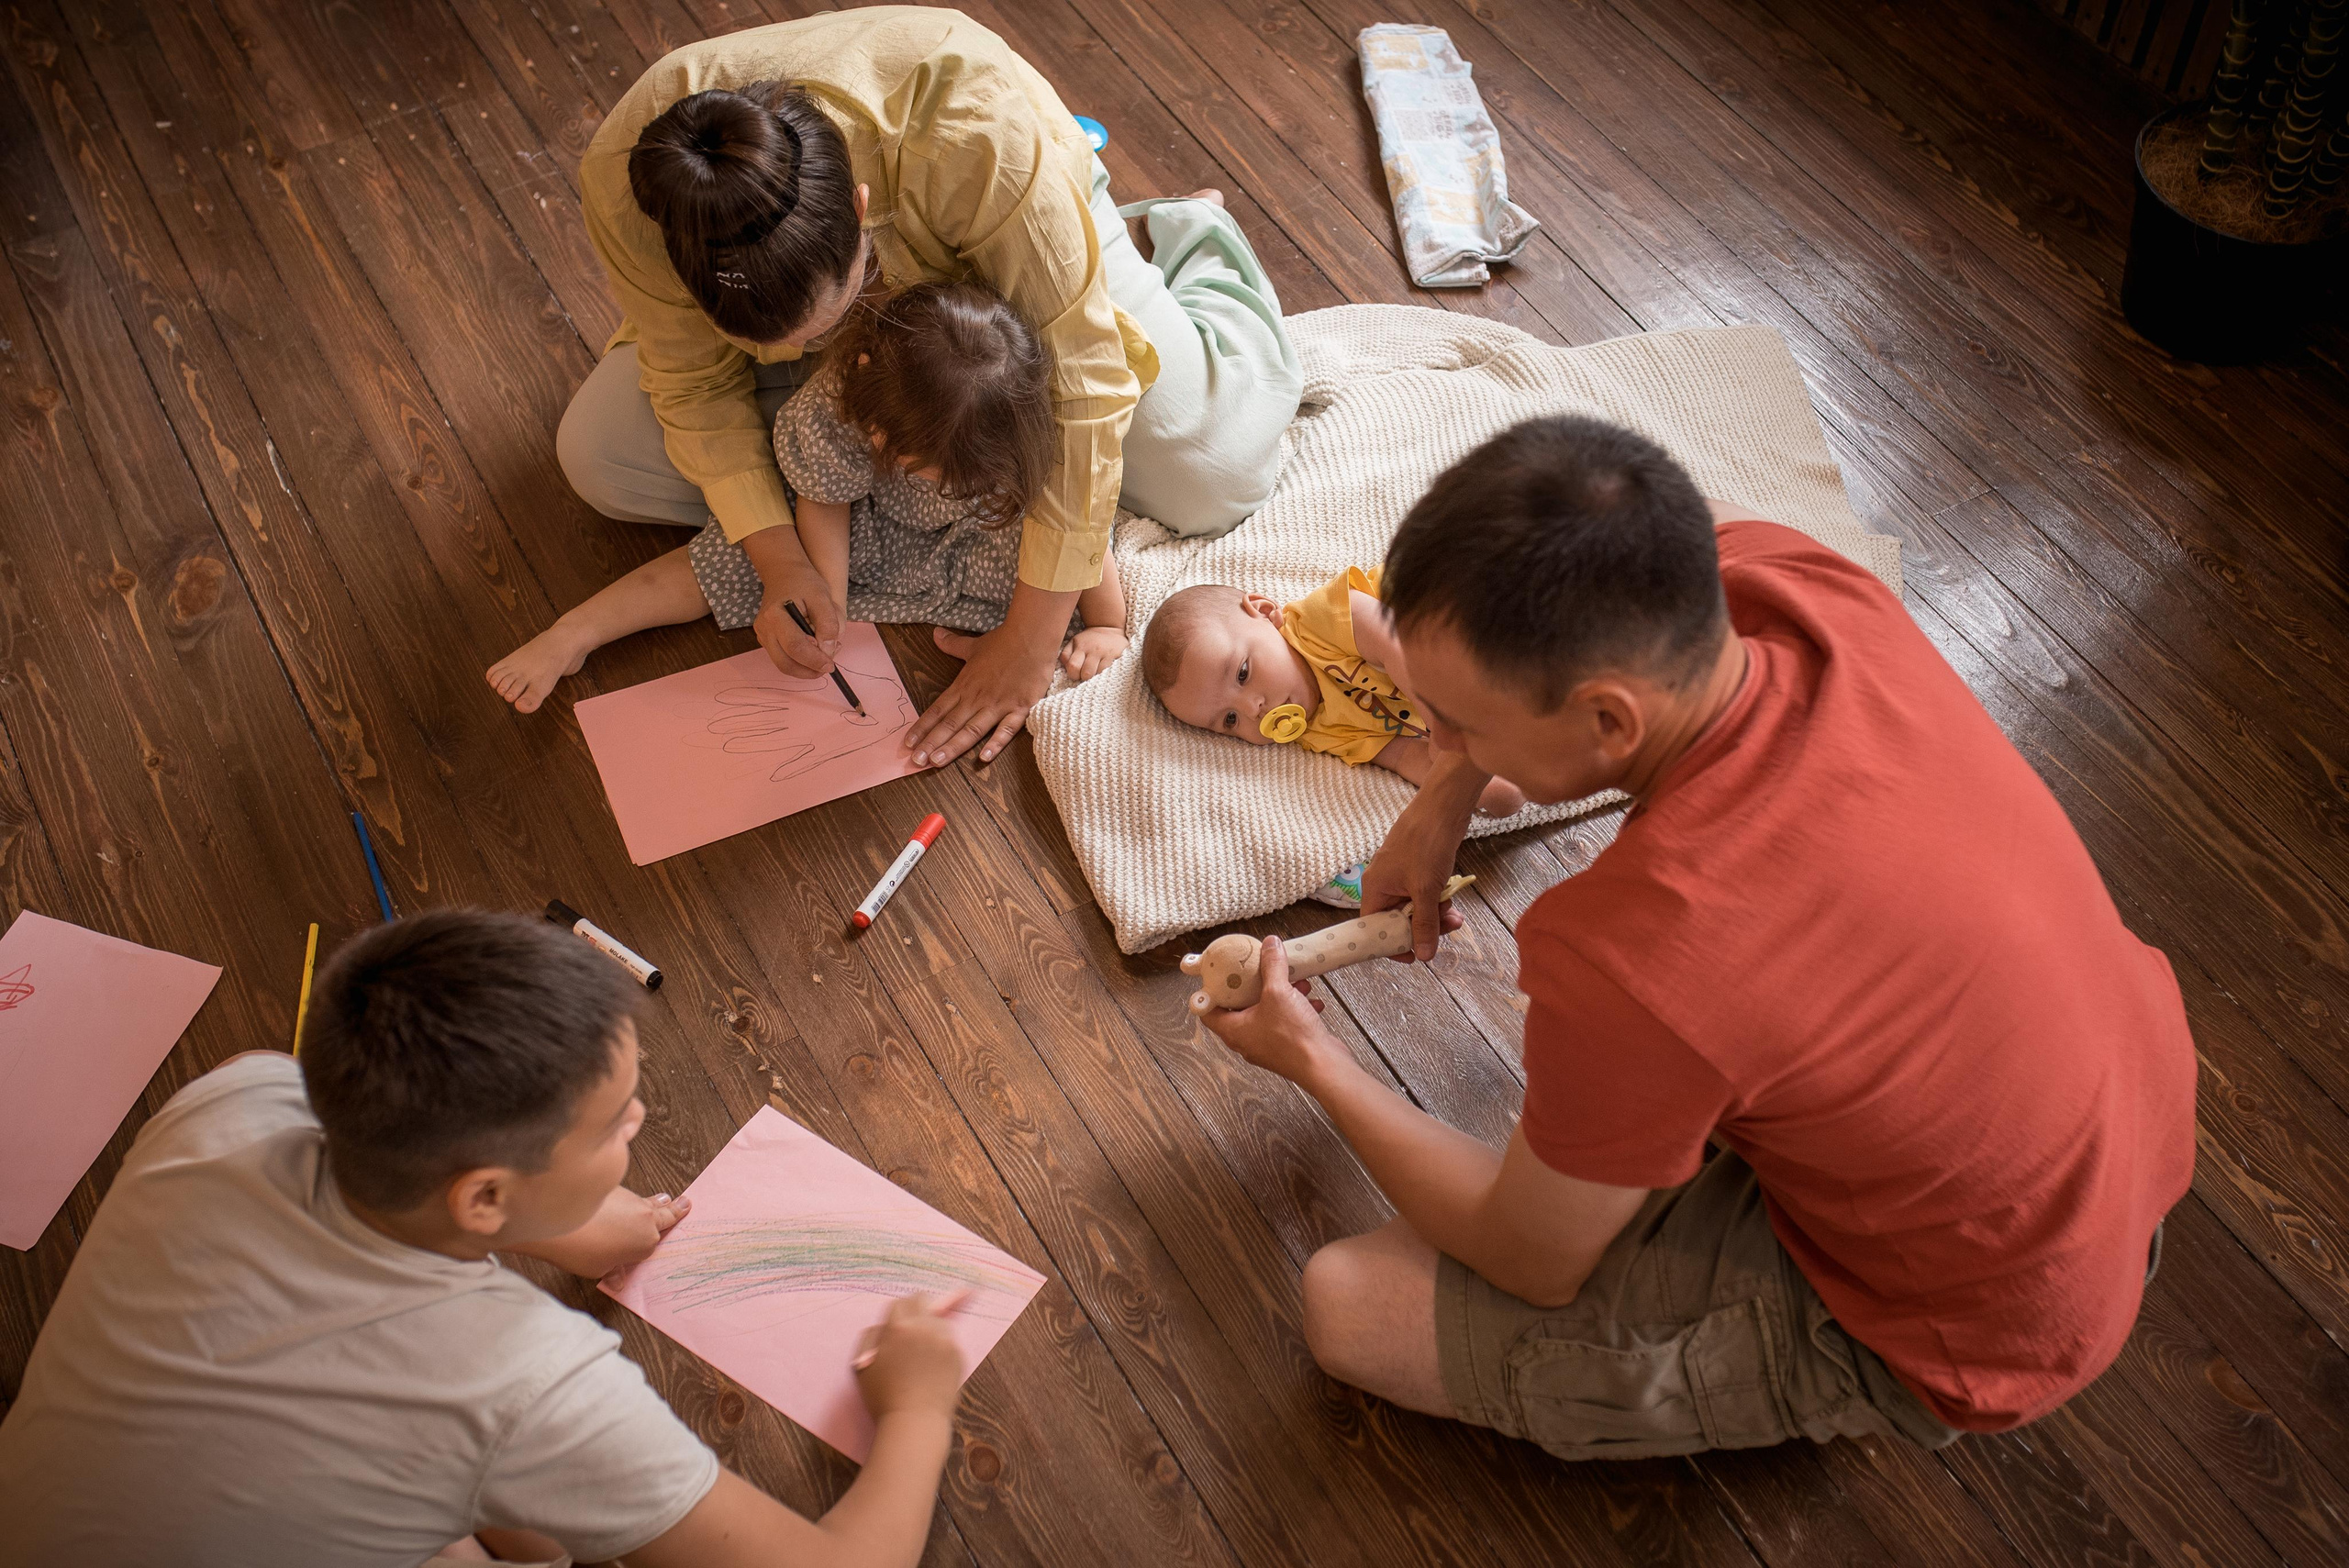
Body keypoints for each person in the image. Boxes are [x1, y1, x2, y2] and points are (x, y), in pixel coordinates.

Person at [1197, 415, 2195, 1459]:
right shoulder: (1793, 581)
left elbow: (1527, 1258)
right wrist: (1441, 795)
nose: (1439, 738)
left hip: (1992, 1319)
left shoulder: (1638, 948)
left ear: (1609, 721)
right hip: (2128, 1124)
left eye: (1464, 722)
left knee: (1350, 1299)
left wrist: (1312, 1058)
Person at [0, 912, 968, 1568]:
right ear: (485, 1197)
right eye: (617, 1124)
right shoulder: (530, 1383)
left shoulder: (236, 1097)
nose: (639, 1121)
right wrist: (918, 1407)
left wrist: (567, 1228)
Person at [560, 8, 1302, 768]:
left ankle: (1190, 234)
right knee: (598, 458)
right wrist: (781, 560)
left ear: (860, 207)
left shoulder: (974, 128)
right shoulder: (633, 186)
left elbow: (1085, 388)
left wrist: (1031, 638)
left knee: (1216, 473)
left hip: (998, 294)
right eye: (769, 344)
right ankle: (869, 406)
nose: (797, 357)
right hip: (900, 369)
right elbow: (691, 383)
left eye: (818, 328)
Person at [491, 281, 1129, 712]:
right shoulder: (837, 408)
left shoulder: (1023, 443)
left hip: (981, 542)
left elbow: (1078, 534)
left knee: (1053, 584)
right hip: (868, 523)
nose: (935, 484)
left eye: (953, 479)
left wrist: (1107, 625)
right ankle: (574, 632)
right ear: (872, 413)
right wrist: (827, 597)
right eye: (918, 465)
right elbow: (824, 500)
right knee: (737, 559)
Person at [1141, 570, 1527, 817]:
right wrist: (1457, 783)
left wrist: (1442, 726)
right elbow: (1399, 754)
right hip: (1481, 686)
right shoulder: (1319, 733)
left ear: (1264, 611)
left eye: (1243, 673)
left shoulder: (1320, 621)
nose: (1253, 708)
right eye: (1230, 720)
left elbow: (1399, 645)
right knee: (1505, 795)